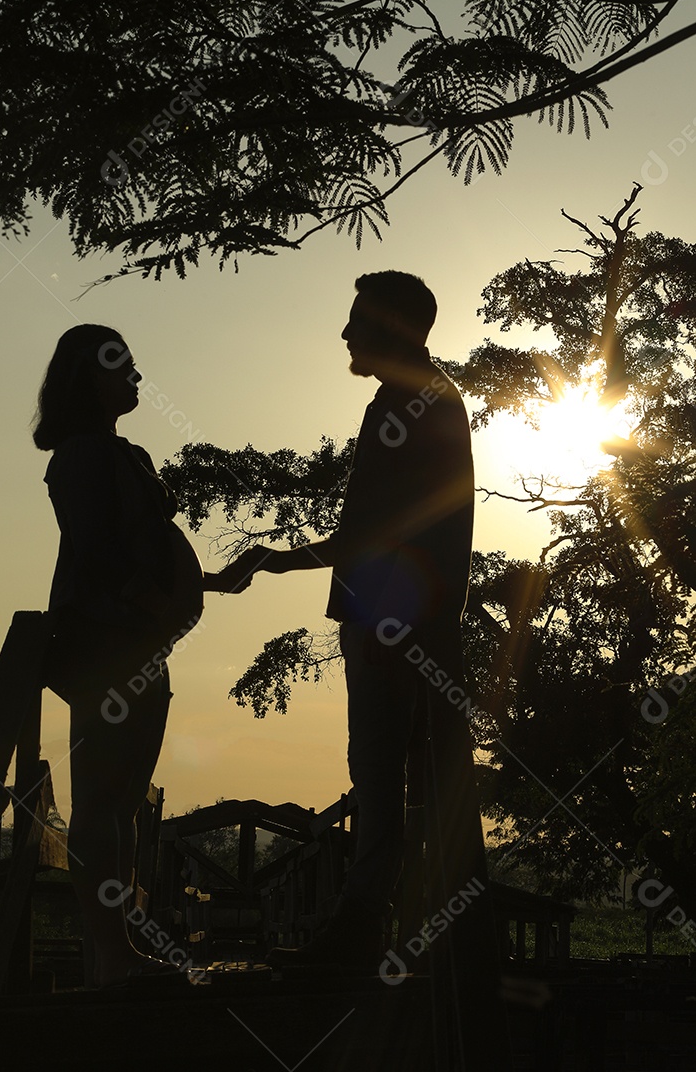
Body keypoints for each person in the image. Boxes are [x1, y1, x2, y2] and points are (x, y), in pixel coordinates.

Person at [217, 272, 488, 972]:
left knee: (381, 781)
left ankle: (362, 936)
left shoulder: (404, 405)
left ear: (392, 327)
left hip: (391, 624)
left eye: (357, 320)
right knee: (427, 783)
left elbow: (375, 532)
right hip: (416, 622)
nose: (345, 333)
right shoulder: (436, 401)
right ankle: (442, 946)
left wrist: (284, 562)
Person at [32, 323, 245, 989]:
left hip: (141, 644)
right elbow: (95, 551)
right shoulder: (78, 457)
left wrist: (196, 585)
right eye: (119, 366)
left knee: (121, 805)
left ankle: (116, 951)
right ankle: (108, 955)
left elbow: (139, 547)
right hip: (106, 643)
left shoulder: (128, 455)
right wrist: (150, 601)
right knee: (99, 802)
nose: (135, 377)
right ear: (85, 379)